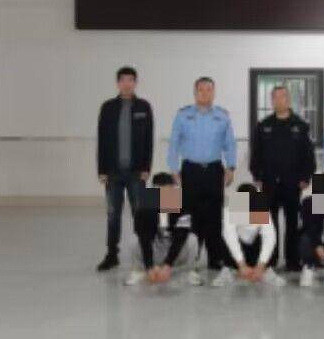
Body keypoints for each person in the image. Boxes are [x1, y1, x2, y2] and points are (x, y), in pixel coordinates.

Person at [167, 77, 237, 271]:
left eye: (209, 90)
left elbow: (230, 144)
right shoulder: (183, 115)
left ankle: (215, 259)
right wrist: (173, 169)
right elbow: (174, 143)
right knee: (191, 215)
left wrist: (231, 167)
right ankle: (195, 258)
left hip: (214, 170)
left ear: (214, 92)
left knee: (214, 216)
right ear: (195, 92)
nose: (205, 93)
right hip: (191, 170)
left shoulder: (222, 116)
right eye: (201, 90)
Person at [249, 86, 316, 271]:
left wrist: (306, 177)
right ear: (272, 101)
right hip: (269, 182)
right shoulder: (263, 126)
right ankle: (270, 260)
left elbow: (308, 155)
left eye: (283, 97)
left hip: (292, 183)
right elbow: (255, 154)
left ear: (289, 100)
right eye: (275, 97)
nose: (279, 100)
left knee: (292, 223)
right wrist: (257, 176)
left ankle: (292, 261)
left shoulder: (300, 125)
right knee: (269, 223)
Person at [96, 66, 154, 272]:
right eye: (123, 80)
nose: (127, 84)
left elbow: (149, 140)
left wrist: (146, 167)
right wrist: (101, 170)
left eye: (131, 80)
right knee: (113, 216)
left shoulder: (144, 107)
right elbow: (102, 140)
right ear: (118, 83)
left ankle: (145, 255)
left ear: (136, 83)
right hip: (113, 173)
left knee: (141, 214)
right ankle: (112, 255)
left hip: (137, 173)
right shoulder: (108, 108)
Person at [124, 173, 199, 286]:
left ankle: (189, 271)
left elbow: (181, 235)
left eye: (169, 192)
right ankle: (140, 271)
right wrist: (149, 266)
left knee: (192, 239)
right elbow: (144, 238)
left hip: (174, 250)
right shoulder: (144, 207)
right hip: (155, 249)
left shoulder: (183, 204)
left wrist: (168, 264)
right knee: (134, 239)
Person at [212, 183, 286, 287]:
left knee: (268, 238)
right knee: (224, 236)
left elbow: (269, 238)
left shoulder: (260, 206)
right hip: (238, 248)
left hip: (254, 247)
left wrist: (261, 265)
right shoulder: (230, 208)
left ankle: (266, 271)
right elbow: (230, 237)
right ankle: (228, 270)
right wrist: (241, 264)